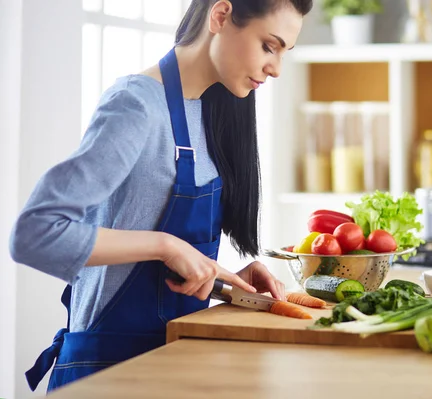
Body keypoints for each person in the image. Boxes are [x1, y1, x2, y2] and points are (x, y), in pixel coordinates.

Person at [10, 0, 313, 392]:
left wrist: (224, 284)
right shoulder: (136, 105)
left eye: (284, 52)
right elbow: (34, 234)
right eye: (268, 46)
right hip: (107, 374)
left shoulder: (209, 110)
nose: (276, 69)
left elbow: (153, 268)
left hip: (175, 367)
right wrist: (166, 245)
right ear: (220, 16)